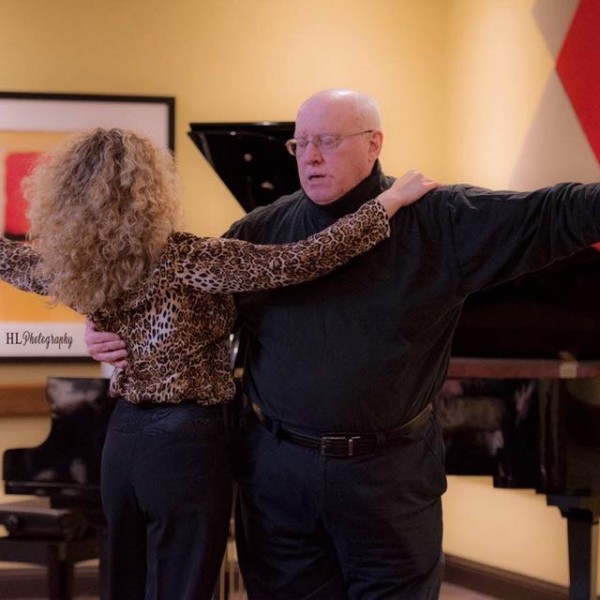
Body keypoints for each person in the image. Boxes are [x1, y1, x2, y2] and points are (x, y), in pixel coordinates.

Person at [86, 88, 600, 600]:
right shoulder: (259, 231)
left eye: (328, 141)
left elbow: (550, 214)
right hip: (278, 480)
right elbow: (182, 309)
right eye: (300, 144)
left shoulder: (437, 219)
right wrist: (106, 328)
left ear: (374, 144)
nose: (310, 156)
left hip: (390, 478)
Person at [0, 126, 436, 600]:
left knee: (125, 584)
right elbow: (302, 260)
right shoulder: (188, 257)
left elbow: (10, 261)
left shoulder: (77, 269)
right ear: (151, 188)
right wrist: (386, 204)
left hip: (122, 443)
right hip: (183, 445)